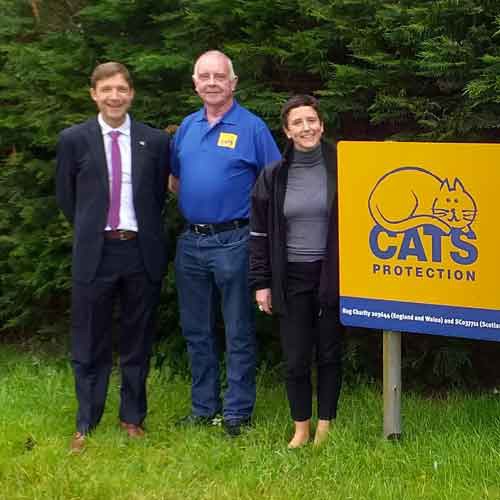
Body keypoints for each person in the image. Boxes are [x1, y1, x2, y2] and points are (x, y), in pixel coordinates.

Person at [56, 62, 170, 452]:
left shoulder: (153, 141)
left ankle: (132, 417)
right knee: (89, 341)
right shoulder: (74, 139)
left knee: (137, 341)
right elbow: (67, 199)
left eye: (121, 89)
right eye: (106, 89)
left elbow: (156, 197)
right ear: (94, 94)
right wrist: (93, 228)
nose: (114, 96)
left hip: (139, 251)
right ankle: (86, 420)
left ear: (132, 93)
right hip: (96, 252)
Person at [169, 50, 280, 437]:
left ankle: (236, 412)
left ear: (233, 83)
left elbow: (274, 186)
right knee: (196, 330)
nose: (212, 82)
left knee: (237, 331)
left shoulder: (252, 128)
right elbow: (175, 180)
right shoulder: (187, 126)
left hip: (235, 240)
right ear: (195, 83)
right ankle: (203, 408)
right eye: (205, 76)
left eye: (220, 76)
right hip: (191, 243)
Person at [249, 95, 343, 448]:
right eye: (298, 123)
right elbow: (258, 234)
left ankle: (325, 426)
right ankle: (300, 428)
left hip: (332, 273)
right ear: (287, 132)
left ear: (322, 124)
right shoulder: (273, 175)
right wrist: (261, 283)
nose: (306, 128)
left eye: (312, 120)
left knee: (330, 353)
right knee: (296, 358)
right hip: (290, 277)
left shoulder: (343, 166)